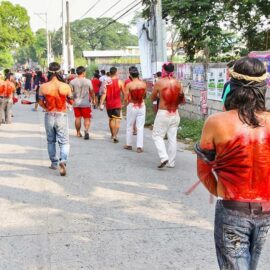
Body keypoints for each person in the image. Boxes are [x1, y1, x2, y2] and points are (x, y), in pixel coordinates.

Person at [195, 57, 270, 270]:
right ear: (262, 88)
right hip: (265, 210)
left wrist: (221, 192)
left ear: (232, 86)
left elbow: (203, 171)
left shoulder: (217, 122)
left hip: (232, 207)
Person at [38, 62, 74, 176]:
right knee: (64, 142)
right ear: (60, 72)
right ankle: (63, 161)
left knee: (51, 141)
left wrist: (46, 107)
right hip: (61, 114)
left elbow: (40, 101)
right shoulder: (65, 86)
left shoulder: (43, 87)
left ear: (48, 71)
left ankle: (54, 163)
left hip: (49, 114)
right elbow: (71, 101)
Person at [151, 62, 184, 168]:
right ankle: (171, 162)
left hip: (163, 113)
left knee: (157, 135)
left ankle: (164, 157)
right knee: (172, 138)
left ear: (164, 70)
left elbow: (152, 98)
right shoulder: (178, 83)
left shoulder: (159, 82)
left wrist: (159, 96)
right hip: (175, 113)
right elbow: (181, 99)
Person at [124, 66, 146, 153]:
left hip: (132, 105)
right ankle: (139, 147)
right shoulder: (143, 84)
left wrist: (126, 106)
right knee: (140, 127)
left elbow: (126, 98)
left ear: (130, 75)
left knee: (129, 125)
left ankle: (129, 144)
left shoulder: (129, 85)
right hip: (141, 105)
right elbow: (144, 96)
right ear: (138, 75)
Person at [100, 67, 124, 143]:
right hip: (117, 104)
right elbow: (124, 93)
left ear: (110, 73)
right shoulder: (120, 82)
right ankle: (115, 135)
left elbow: (104, 93)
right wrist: (124, 102)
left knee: (111, 119)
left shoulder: (106, 82)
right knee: (117, 120)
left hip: (109, 104)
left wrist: (101, 103)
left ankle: (112, 134)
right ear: (116, 72)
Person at [70, 66, 95, 140]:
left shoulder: (72, 81)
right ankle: (86, 130)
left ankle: (78, 132)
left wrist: (71, 101)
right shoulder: (88, 81)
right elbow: (92, 91)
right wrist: (93, 100)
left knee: (77, 118)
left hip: (76, 103)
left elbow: (70, 93)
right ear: (83, 72)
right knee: (87, 118)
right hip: (86, 103)